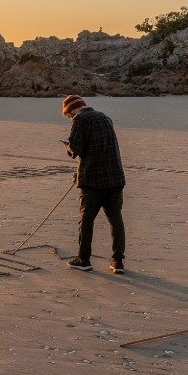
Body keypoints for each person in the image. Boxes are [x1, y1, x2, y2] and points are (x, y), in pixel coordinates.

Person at [61, 94, 126, 273]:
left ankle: (84, 259)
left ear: (72, 110)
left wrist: (67, 146)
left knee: (86, 220)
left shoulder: (79, 120)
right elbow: (99, 148)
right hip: (115, 178)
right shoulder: (105, 117)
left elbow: (74, 150)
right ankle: (118, 261)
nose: (69, 118)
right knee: (116, 219)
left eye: (68, 115)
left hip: (92, 181)